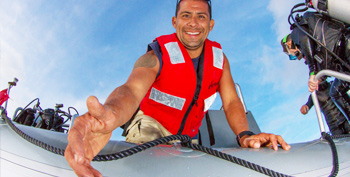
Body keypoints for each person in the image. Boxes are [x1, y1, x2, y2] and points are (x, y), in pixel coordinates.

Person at [65, 1, 290, 176]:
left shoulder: (220, 60)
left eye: (201, 17)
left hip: (185, 138)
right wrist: (110, 115)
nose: (193, 23)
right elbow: (131, 90)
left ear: (210, 25)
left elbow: (231, 101)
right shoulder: (157, 55)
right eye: (186, 16)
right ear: (175, 22)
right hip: (151, 129)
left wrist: (245, 135)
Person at [282, 33, 350, 135]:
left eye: (291, 53)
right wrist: (306, 107)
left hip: (343, 119)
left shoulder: (331, 87)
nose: (301, 58)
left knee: (336, 91)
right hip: (334, 126)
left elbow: (318, 68)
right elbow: (309, 103)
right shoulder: (315, 95)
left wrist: (315, 76)